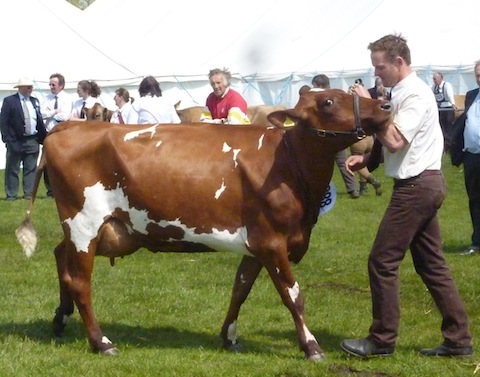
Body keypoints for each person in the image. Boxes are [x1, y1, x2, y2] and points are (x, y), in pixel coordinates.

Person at [341, 34, 472, 358]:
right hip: (422, 185)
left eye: (380, 67)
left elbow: (396, 139)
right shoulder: (401, 92)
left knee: (382, 261)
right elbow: (390, 139)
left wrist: (368, 107)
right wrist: (368, 159)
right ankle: (459, 341)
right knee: (432, 266)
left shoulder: (414, 94)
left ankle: (381, 340)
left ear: (399, 62)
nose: (377, 74)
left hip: (416, 187)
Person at [310, 74, 360, 198]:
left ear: (318, 85)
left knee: (318, 165)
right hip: (337, 136)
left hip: (320, 138)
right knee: (344, 163)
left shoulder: (312, 97)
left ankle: (319, 190)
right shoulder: (336, 96)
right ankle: (353, 189)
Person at [450, 61, 480, 256]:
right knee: (475, 199)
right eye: (478, 75)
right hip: (472, 156)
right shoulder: (471, 95)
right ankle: (477, 242)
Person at [0, 77, 47, 200]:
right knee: (13, 169)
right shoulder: (10, 101)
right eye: (28, 87)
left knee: (31, 168)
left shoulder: (34, 101)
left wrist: (42, 137)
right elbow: (4, 122)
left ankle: (29, 193)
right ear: (20, 88)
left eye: (31, 87)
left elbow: (39, 120)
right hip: (16, 140)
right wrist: (8, 139)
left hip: (32, 139)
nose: (30, 89)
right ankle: (11, 194)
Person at [41, 73, 73, 197]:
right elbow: (41, 114)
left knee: (62, 161)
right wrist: (54, 111)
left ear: (61, 85)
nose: (51, 87)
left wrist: (50, 113)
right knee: (47, 162)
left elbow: (64, 116)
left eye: (53, 84)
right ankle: (50, 189)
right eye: (50, 84)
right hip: (48, 133)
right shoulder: (46, 98)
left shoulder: (67, 98)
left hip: (62, 134)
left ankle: (63, 188)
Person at [432, 72, 457, 152]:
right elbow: (432, 96)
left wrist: (453, 104)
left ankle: (449, 146)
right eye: (433, 79)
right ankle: (443, 146)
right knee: (441, 127)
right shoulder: (434, 87)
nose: (434, 80)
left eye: (435, 79)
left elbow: (450, 95)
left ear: (440, 78)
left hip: (448, 108)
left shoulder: (446, 85)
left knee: (448, 128)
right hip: (440, 109)